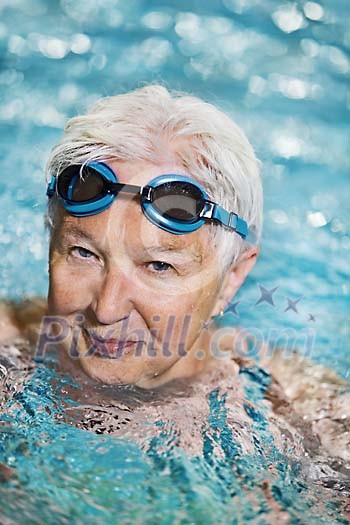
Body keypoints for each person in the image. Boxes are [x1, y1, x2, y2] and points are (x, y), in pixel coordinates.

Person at [1, 84, 262, 389]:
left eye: (158, 266)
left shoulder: (289, 404)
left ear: (231, 278)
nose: (107, 310)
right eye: (84, 253)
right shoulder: (10, 342)